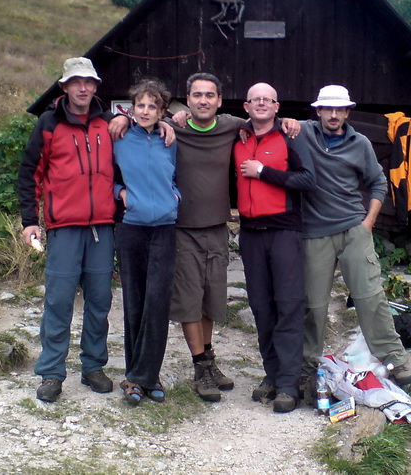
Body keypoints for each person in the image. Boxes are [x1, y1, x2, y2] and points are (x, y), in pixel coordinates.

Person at [110, 73, 299, 403]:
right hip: (180, 228)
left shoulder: (230, 126)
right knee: (189, 301)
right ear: (187, 99)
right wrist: (120, 119)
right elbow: (144, 120)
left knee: (212, 298)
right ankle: (200, 367)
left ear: (219, 100)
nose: (203, 100)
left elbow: (262, 116)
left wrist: (289, 121)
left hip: (217, 227)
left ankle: (209, 361)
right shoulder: (174, 127)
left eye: (209, 95)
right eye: (196, 95)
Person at [298, 85, 411, 400]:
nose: (334, 115)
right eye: (328, 109)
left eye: (340, 110)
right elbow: (259, 118)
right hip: (315, 233)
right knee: (314, 304)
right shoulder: (300, 133)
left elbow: (378, 182)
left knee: (370, 296)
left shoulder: (360, 143)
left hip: (354, 229)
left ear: (348, 112)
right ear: (318, 111)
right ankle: (307, 366)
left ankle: (395, 358)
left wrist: (368, 223)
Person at [17, 57, 116, 403]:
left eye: (88, 82)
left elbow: (149, 129)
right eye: (76, 82)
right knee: (58, 302)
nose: (83, 88)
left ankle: (93, 367)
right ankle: (52, 372)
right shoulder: (49, 123)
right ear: (64, 86)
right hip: (63, 228)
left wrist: (170, 122)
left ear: (96, 86)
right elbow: (30, 173)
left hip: (103, 228)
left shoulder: (110, 123)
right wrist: (30, 220)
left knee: (100, 302)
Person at [234, 82, 315, 413]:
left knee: (288, 306)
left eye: (268, 99)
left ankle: (288, 384)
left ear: (277, 106)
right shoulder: (237, 138)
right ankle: (272, 374)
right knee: (261, 307)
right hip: (251, 234)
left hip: (284, 232)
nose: (262, 104)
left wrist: (264, 171)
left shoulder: (289, 137)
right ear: (247, 106)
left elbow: (307, 179)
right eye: (256, 100)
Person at [112, 78, 180, 405]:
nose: (146, 111)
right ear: (132, 107)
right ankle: (136, 378)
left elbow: (178, 175)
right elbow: (105, 175)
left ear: (162, 110)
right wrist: (119, 193)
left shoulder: (170, 139)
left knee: (158, 302)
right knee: (134, 301)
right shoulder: (120, 137)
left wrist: (175, 197)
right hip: (132, 226)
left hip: (165, 226)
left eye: (153, 106)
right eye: (140, 105)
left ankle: (148, 375)